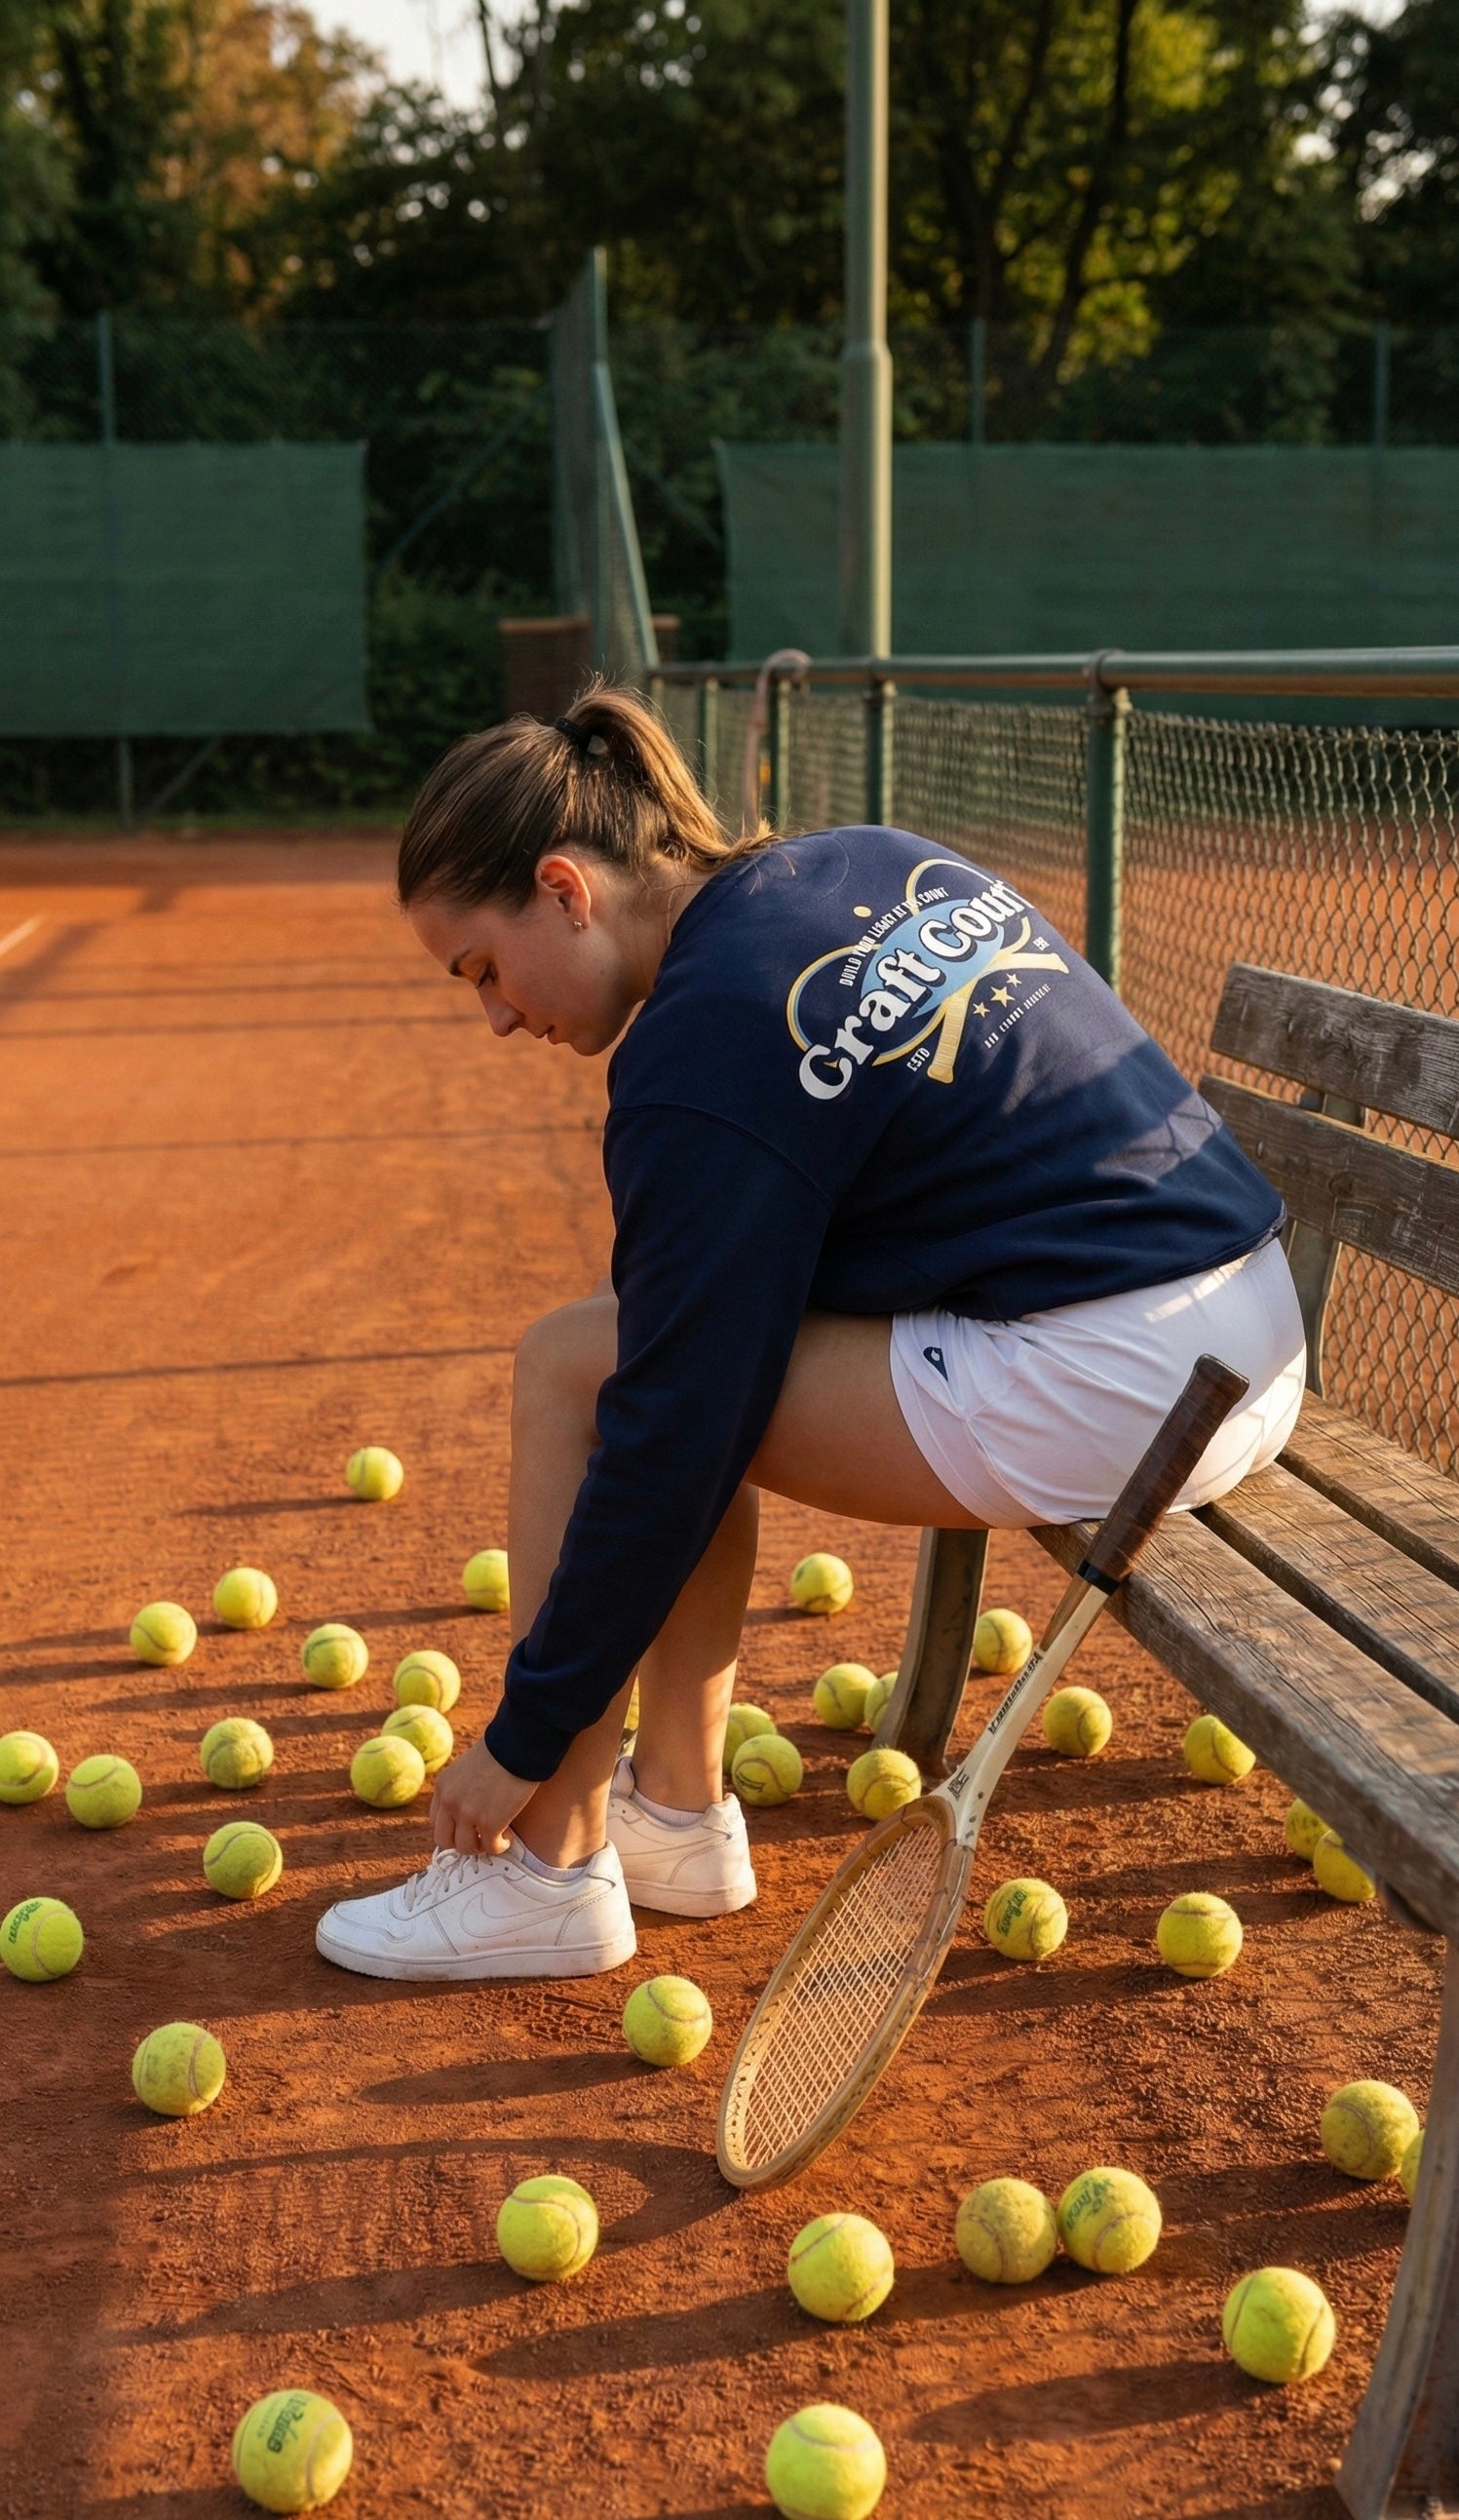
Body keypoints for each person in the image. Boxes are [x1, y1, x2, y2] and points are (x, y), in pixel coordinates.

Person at [315, 682, 1304, 1982]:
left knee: (584, 1370)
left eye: (485, 969)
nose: (496, 1014)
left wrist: (524, 1734)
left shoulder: (696, 1050)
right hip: (1250, 1329)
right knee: (674, 1342)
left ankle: (549, 1867)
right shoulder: (860, 858)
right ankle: (676, 1815)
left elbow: (672, 1427)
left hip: (1123, 1379)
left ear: (564, 888)